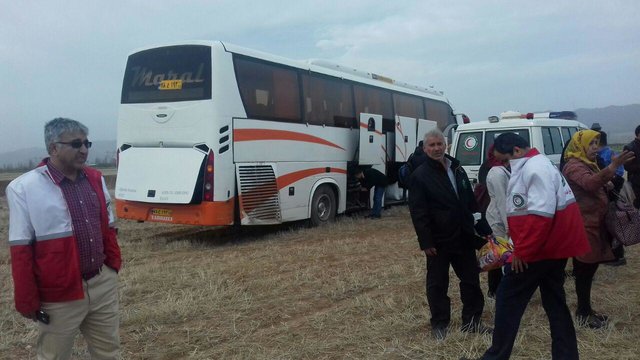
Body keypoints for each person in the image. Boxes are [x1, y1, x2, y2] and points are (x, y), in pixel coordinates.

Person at [7, 118, 122, 359]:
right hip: (59, 293)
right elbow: (21, 250)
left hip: (102, 284)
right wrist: (27, 298)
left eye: (86, 143)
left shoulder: (95, 178)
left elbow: (109, 228)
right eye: (76, 144)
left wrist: (112, 268)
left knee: (109, 352)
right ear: (53, 148)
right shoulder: (24, 188)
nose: (84, 149)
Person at [477, 132, 590, 360]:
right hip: (552, 248)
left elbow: (541, 215)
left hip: (540, 250)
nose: (506, 166)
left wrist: (523, 251)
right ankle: (566, 355)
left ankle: (496, 356)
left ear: (517, 151)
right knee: (555, 302)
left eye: (506, 160)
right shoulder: (540, 164)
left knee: (507, 299)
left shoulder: (534, 169)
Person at [408, 128, 491, 340]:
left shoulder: (457, 168)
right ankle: (439, 323)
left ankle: (472, 321)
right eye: (432, 145)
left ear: (446, 145)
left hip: (463, 235)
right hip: (439, 239)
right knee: (437, 284)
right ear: (425, 148)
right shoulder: (419, 176)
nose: (436, 148)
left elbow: (470, 201)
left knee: (471, 280)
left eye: (440, 144)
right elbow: (419, 212)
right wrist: (425, 241)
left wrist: (483, 229)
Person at [562, 130, 634, 328]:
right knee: (584, 269)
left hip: (595, 222)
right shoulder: (574, 165)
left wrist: (609, 182)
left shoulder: (587, 163)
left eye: (596, 143)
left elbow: (597, 183)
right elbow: (590, 183)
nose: (595, 147)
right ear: (580, 145)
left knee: (589, 268)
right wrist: (613, 166)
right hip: (584, 225)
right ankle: (583, 313)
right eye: (591, 143)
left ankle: (586, 310)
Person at [483, 146, 510, 298]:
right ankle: (495, 290)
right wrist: (508, 225)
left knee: (500, 254)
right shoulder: (497, 172)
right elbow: (502, 201)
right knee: (499, 255)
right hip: (498, 219)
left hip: (499, 217)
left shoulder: (500, 169)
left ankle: (496, 289)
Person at [596, 131, 626, 266]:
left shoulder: (606, 155)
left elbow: (618, 173)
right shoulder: (611, 153)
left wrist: (610, 181)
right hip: (607, 193)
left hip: (609, 194)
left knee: (611, 224)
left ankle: (616, 256)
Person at [623, 125, 640, 208]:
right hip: (636, 184)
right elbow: (627, 167)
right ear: (638, 134)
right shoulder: (629, 147)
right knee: (636, 207)